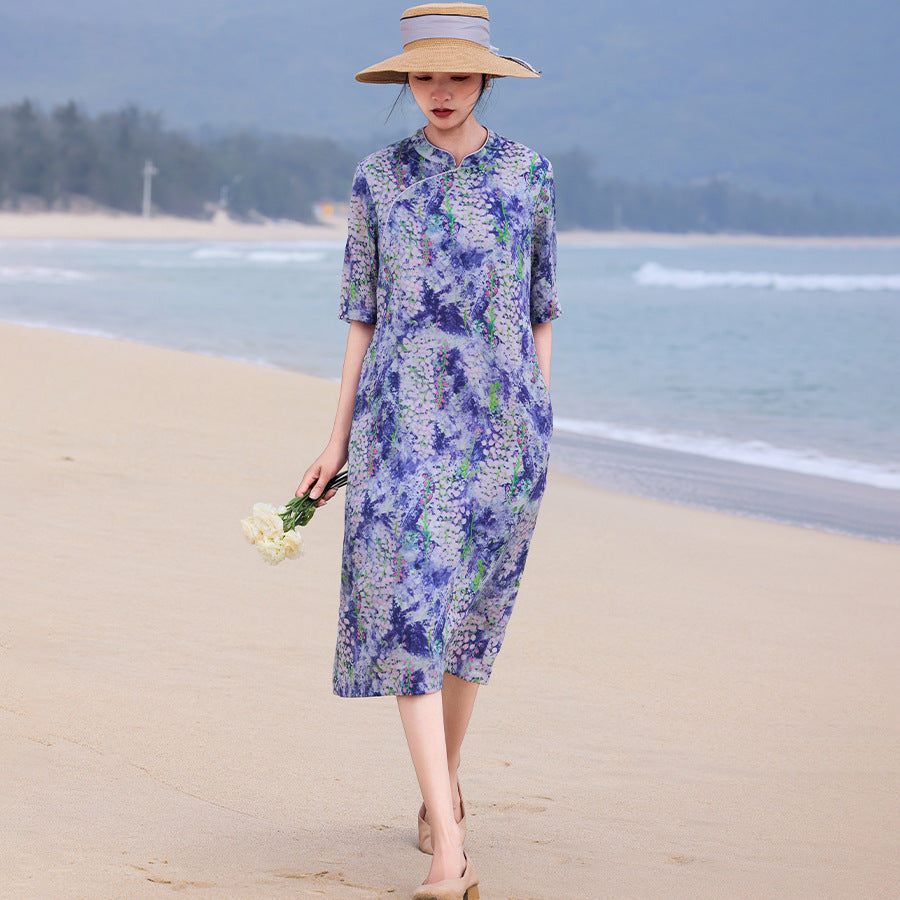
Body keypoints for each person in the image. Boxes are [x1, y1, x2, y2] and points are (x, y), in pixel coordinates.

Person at [297, 4, 559, 898]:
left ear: (485, 79)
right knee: (412, 614)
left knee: (465, 622)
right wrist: (335, 439)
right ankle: (451, 850)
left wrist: (539, 410)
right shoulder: (379, 177)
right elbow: (361, 315)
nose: (440, 92)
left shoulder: (528, 174)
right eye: (423, 76)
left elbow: (541, 306)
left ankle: (438, 791)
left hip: (502, 431)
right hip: (399, 425)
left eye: (457, 75)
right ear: (405, 81)